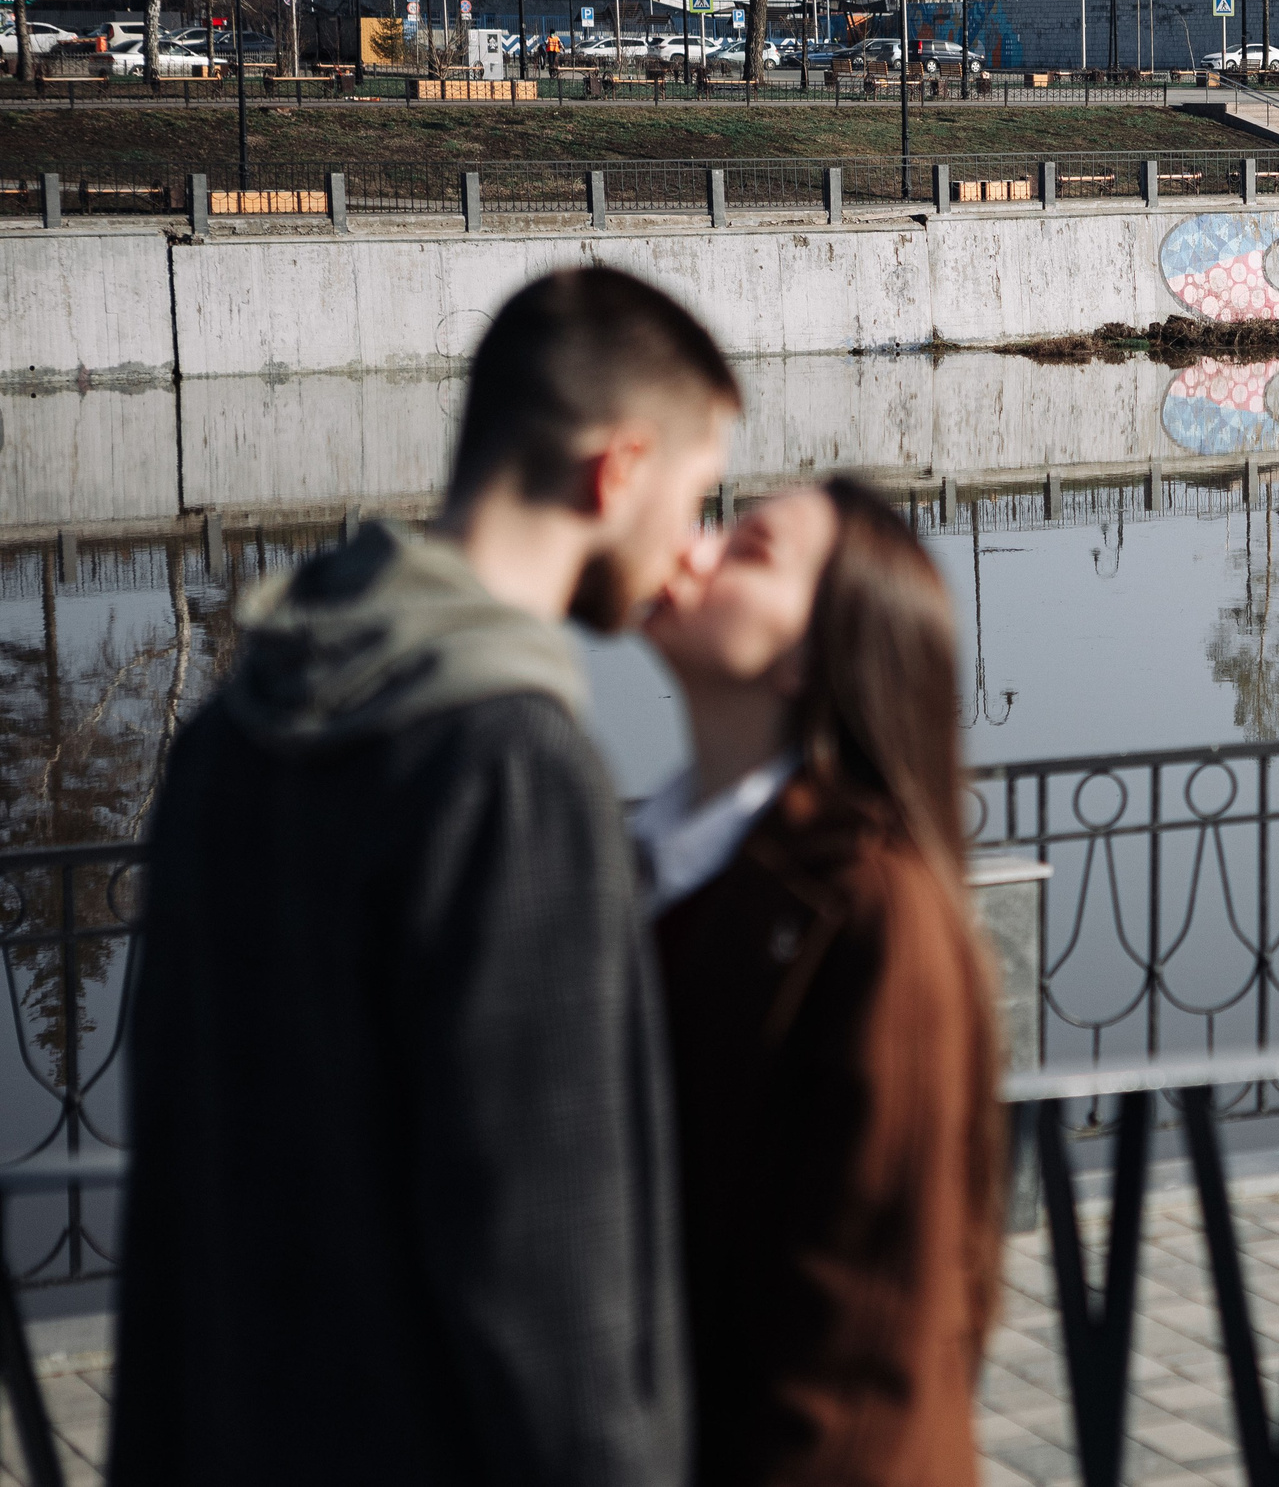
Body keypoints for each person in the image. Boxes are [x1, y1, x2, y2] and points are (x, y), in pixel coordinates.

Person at [112, 268, 741, 1487]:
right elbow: (547, 1269)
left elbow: (179, 1186)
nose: (689, 553)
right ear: (615, 473)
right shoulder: (511, 765)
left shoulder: (232, 732)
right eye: (696, 498)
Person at [638, 478, 1003, 1487]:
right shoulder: (651, 869)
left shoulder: (875, 911)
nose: (691, 549)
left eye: (747, 550)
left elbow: (868, 1341)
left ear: (810, 656)